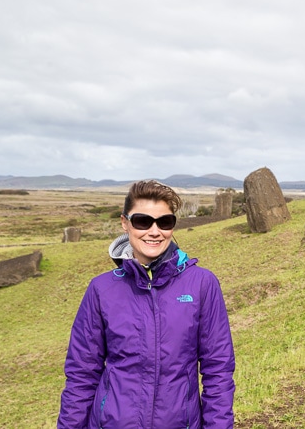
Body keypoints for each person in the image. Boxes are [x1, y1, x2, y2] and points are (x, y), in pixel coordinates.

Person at [58, 180, 235, 428]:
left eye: (165, 222)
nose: (154, 231)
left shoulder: (202, 284)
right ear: (125, 223)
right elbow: (81, 374)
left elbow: (218, 370)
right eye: (142, 221)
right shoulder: (101, 289)